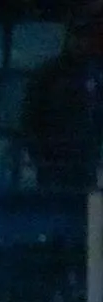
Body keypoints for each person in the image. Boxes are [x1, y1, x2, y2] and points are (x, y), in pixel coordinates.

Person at [21, 25, 103, 189]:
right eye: (76, 37)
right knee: (51, 200)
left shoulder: (95, 74)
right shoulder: (47, 73)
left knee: (80, 200)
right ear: (68, 40)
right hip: (52, 156)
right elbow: (30, 115)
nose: (80, 43)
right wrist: (38, 154)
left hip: (84, 158)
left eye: (85, 38)